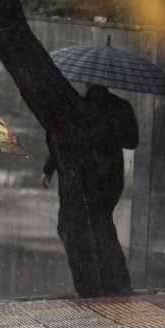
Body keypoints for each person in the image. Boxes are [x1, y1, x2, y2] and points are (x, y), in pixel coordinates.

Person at [40, 84, 138, 242]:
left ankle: (86, 262)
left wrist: (49, 168)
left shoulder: (78, 107)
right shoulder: (121, 107)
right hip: (111, 179)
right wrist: (111, 134)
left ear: (87, 82)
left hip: (83, 176)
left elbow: (63, 139)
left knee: (69, 226)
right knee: (100, 225)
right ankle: (99, 261)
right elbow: (133, 141)